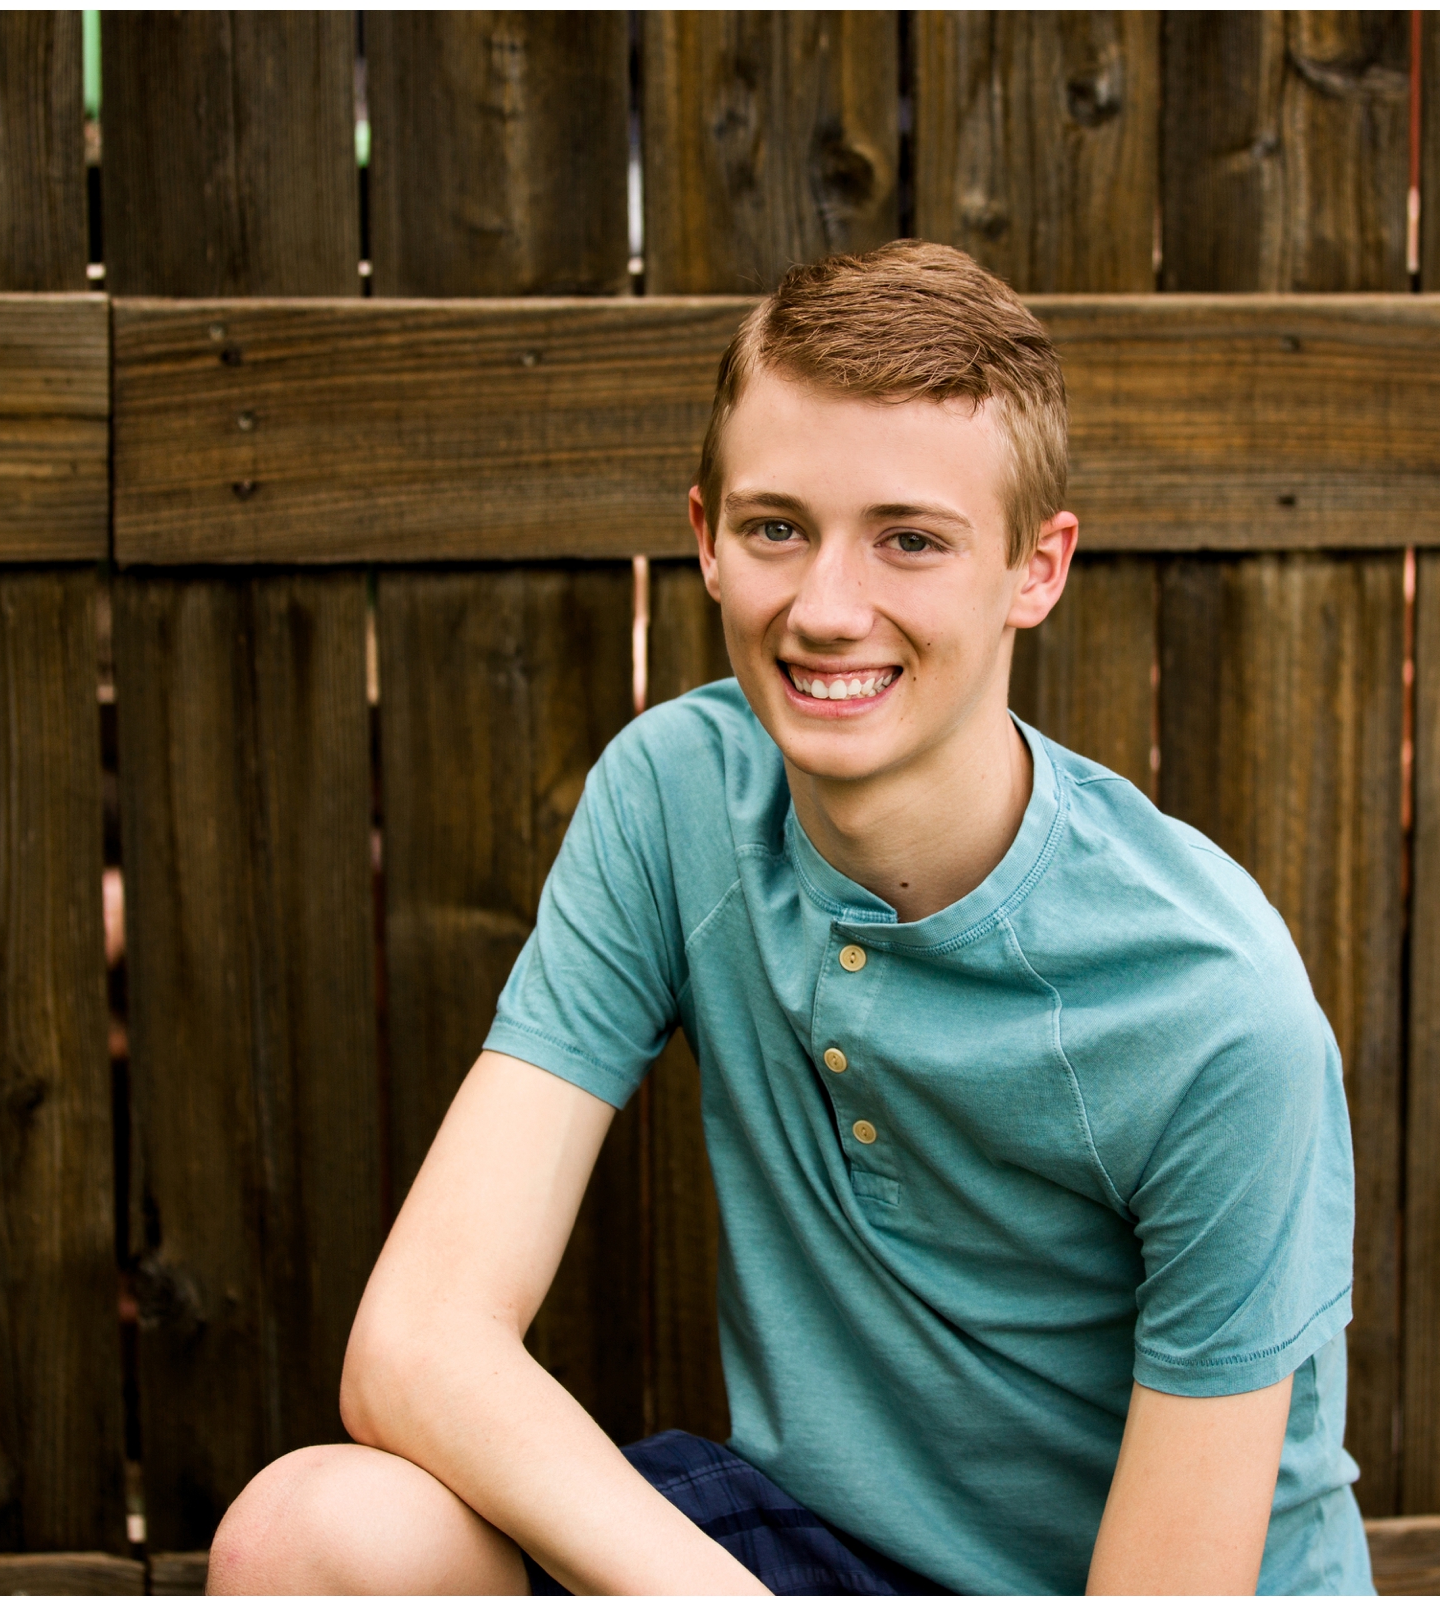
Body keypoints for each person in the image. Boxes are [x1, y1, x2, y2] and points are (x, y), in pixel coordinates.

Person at [206, 240, 1371, 1595]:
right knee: (311, 1540)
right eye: (778, 527)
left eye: (911, 540)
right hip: (815, 1560)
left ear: (1036, 570)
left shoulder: (1212, 1007)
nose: (825, 608)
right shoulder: (677, 794)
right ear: (703, 537)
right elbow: (416, 1338)